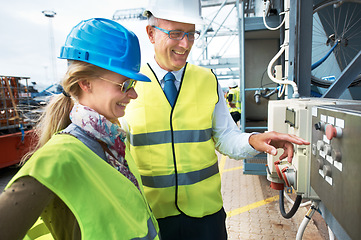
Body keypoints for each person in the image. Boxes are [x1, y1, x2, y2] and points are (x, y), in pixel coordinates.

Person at [121, 0, 310, 239]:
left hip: (206, 218)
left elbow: (226, 138)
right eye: (176, 33)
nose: (185, 44)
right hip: (152, 218)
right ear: (151, 33)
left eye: (191, 34)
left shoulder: (207, 80)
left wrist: (254, 140)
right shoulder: (129, 85)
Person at [0, 18, 160, 240]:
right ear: (86, 83)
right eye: (125, 85)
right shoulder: (61, 155)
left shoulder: (114, 142)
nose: (133, 94)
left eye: (134, 84)